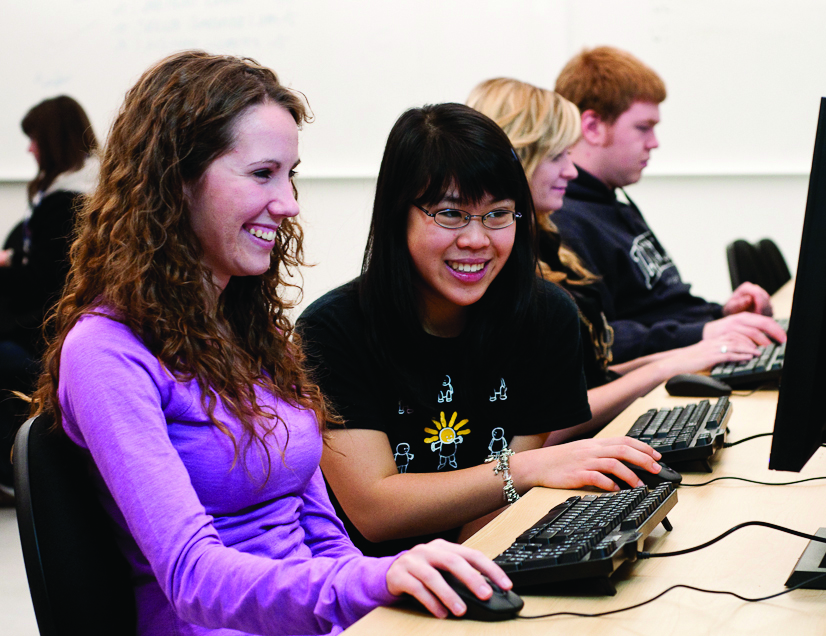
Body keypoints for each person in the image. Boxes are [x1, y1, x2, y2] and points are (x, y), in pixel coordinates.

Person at [29, 51, 511, 635]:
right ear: (175, 181)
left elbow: (321, 536)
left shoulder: (255, 332)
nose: (288, 202)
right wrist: (371, 582)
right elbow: (191, 577)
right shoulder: (106, 353)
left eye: (291, 174)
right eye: (263, 174)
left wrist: (386, 601)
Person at [298, 102, 663, 559]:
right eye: (450, 214)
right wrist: (529, 468)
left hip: (487, 560)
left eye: (498, 214)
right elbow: (375, 513)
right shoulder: (331, 330)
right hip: (373, 586)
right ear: (398, 215)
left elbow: (486, 521)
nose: (477, 239)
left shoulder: (547, 316)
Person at [467, 77, 759, 441]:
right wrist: (664, 366)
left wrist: (689, 354)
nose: (572, 171)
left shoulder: (551, 248)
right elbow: (537, 431)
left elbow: (592, 377)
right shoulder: (496, 281)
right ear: (516, 160)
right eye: (558, 155)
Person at [551, 46, 786, 363]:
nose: (654, 142)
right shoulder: (563, 221)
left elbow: (656, 306)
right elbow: (598, 340)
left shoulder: (614, 201)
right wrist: (703, 332)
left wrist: (719, 314)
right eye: (643, 127)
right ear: (592, 127)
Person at [0, 95, 99, 497]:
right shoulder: (77, 192)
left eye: (34, 138)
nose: (29, 148)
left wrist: (12, 263)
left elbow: (44, 284)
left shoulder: (68, 202)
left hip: (49, 331)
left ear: (52, 140)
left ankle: (12, 473)